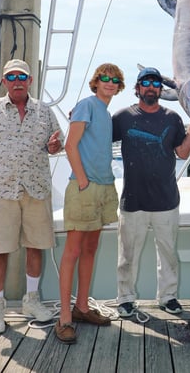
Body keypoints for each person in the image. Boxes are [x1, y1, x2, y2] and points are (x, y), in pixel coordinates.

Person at [0, 59, 63, 334]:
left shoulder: (45, 111)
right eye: (11, 76)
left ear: (30, 81)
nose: (17, 80)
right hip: (2, 190)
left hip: (36, 189)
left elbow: (56, 144)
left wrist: (55, 145)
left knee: (35, 246)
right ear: (4, 81)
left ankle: (31, 300)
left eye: (22, 75)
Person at [112, 67, 190, 317]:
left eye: (156, 83)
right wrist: (81, 120)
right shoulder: (123, 117)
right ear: (137, 88)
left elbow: (182, 153)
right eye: (146, 82)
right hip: (133, 200)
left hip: (166, 200)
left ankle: (168, 297)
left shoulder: (172, 118)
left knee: (168, 254)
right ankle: (125, 298)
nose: (151, 86)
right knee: (127, 255)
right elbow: (98, 139)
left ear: (161, 90)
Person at [55, 63, 124, 344]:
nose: (109, 82)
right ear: (96, 82)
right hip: (85, 188)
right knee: (72, 251)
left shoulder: (106, 114)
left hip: (105, 187)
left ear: (119, 87)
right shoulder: (86, 105)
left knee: (91, 248)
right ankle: (64, 318)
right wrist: (83, 181)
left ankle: (82, 308)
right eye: (104, 78)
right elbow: (70, 145)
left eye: (115, 79)